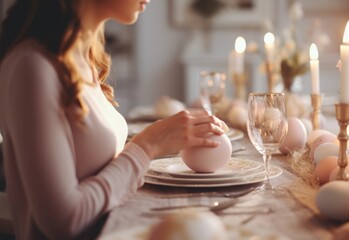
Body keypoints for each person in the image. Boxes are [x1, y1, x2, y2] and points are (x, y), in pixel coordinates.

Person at [0, 0, 227, 239]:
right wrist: (147, 146)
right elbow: (64, 221)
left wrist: (164, 136)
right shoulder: (33, 67)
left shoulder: (80, 57)